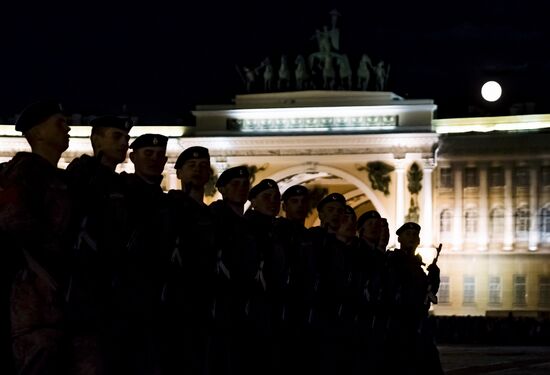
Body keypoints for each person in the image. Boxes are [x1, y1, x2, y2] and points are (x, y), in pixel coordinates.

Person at [0, 100, 72, 374]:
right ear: (37, 133)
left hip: (60, 295)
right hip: (35, 295)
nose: (67, 128)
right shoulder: (23, 170)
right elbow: (11, 218)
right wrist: (51, 254)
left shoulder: (60, 178)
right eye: (59, 123)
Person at [65, 115, 132, 375]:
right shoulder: (80, 177)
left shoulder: (120, 184)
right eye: (116, 137)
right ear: (96, 140)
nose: (123, 144)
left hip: (113, 291)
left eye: (126, 139)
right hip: (85, 290)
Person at [116, 133, 171, 375]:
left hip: (160, 297)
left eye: (159, 155)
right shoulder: (120, 193)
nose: (154, 159)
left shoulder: (167, 202)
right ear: (132, 157)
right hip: (126, 296)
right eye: (147, 153)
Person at [163, 146, 216, 375]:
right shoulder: (167, 207)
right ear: (179, 173)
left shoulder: (211, 216)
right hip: (173, 302)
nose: (197, 170)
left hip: (203, 301)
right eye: (191, 166)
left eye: (203, 166)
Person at [208, 165, 252, 375]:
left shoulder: (247, 226)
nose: (241, 188)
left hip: (243, 309)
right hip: (221, 308)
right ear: (222, 189)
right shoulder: (214, 219)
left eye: (245, 185)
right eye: (235, 184)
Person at [383, 222, 442, 375]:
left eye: (414, 235)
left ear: (418, 241)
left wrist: (434, 278)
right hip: (399, 326)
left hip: (417, 326)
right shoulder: (393, 261)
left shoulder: (418, 267)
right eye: (407, 234)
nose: (411, 237)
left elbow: (428, 295)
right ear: (400, 239)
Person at [352, 210, 389, 374]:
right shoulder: (356, 252)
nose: (376, 228)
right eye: (371, 225)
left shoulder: (383, 256)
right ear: (361, 229)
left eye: (379, 226)